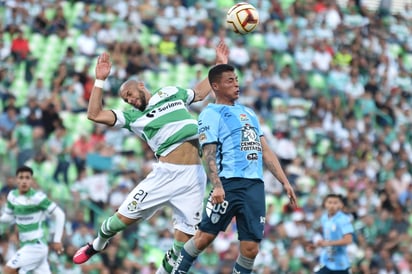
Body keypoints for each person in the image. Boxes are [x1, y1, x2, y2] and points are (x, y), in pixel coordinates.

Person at [72, 41, 229, 274]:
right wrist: (100, 80)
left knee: (183, 244)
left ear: (141, 86)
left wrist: (219, 65)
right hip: (165, 174)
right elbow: (94, 114)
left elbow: (199, 93)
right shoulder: (133, 117)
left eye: (130, 94)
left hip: (194, 177)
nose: (130, 100)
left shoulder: (170, 92)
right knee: (120, 221)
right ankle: (97, 244)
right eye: (126, 99)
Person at [171, 64, 298, 274]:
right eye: (230, 81)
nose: (236, 84)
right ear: (216, 86)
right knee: (204, 238)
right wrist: (217, 186)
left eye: (236, 79)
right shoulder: (210, 114)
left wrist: (285, 181)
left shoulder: (249, 113)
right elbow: (208, 152)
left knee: (251, 248)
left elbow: (265, 150)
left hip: (254, 186)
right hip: (229, 184)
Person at [0, 165, 66, 274]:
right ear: (17, 180)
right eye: (21, 177)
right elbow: (8, 217)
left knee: (8, 270)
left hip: (36, 245)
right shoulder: (12, 196)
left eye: (27, 178)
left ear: (31, 180)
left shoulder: (38, 198)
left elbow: (60, 214)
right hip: (25, 245)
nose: (24, 181)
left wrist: (57, 240)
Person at [314, 194, 355, 274]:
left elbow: (348, 240)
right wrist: (320, 243)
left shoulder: (344, 219)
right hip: (327, 262)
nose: (332, 205)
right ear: (325, 204)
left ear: (340, 205)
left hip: (340, 264)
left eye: (335, 203)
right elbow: (328, 238)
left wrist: (328, 243)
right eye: (329, 202)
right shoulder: (324, 218)